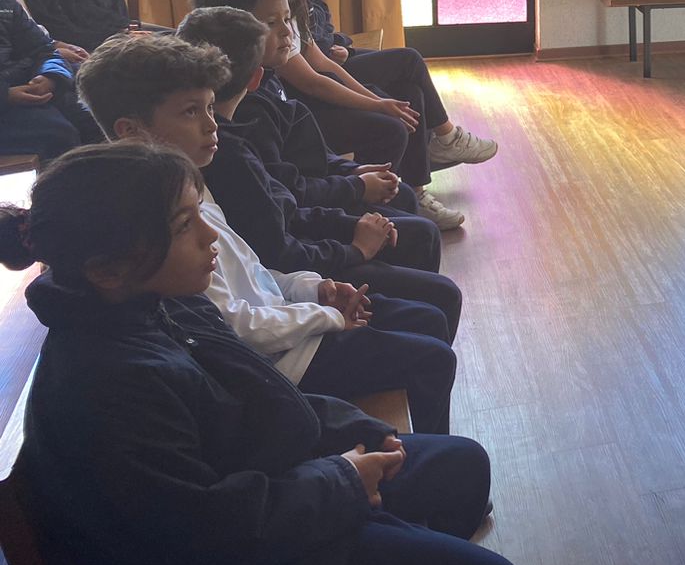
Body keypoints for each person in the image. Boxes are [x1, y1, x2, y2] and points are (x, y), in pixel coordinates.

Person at [0, 143, 524, 565]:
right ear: (106, 269)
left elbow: (264, 392)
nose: (209, 234)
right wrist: (342, 481)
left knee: (464, 466)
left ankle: (408, 554)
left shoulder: (165, 303)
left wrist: (353, 430)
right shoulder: (105, 385)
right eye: (184, 226)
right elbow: (202, 533)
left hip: (277, 494)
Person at [77, 29, 463, 340]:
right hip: (283, 344)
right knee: (431, 320)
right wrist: (349, 257)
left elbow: (255, 267)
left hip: (289, 303)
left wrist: (313, 289)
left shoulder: (191, 173)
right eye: (192, 112)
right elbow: (239, 314)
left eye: (209, 107)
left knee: (429, 308)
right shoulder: (167, 202)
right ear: (130, 131)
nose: (212, 125)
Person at [246, 0, 497, 171]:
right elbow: (312, 82)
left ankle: (415, 184)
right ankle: (428, 152)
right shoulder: (265, 3)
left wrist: (374, 94)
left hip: (328, 66)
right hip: (301, 106)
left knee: (408, 93)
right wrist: (377, 105)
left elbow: (321, 48)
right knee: (403, 80)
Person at [0, 0, 102, 160]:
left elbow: (42, 47)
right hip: (8, 96)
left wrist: (50, 76)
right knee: (60, 135)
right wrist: (6, 95)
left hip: (25, 83)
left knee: (101, 112)